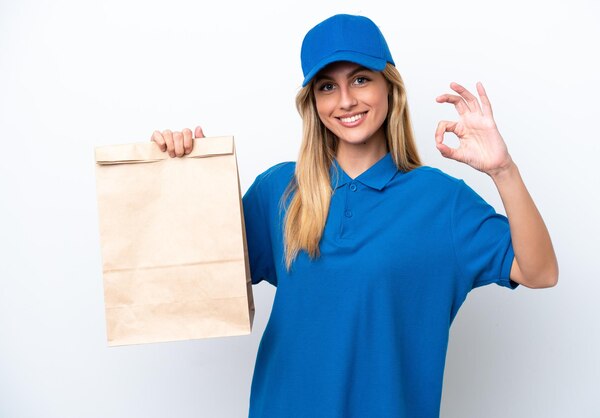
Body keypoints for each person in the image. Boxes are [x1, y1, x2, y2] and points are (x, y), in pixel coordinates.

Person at [150, 13, 558, 418]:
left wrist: (503, 171)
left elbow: (539, 272)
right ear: (313, 103)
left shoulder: (441, 201)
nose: (345, 100)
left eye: (361, 79)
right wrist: (188, 176)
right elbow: (191, 280)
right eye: (328, 86)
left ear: (389, 88)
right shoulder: (280, 190)